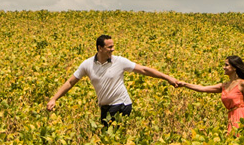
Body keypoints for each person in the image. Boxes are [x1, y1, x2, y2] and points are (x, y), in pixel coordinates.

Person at [47, 34, 179, 128]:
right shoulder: (87, 64)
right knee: (107, 137)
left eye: (113, 46)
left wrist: (167, 78)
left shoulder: (119, 61)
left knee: (112, 137)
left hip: (122, 104)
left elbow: (144, 70)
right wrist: (54, 99)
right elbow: (71, 82)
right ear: (100, 48)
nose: (113, 49)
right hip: (105, 106)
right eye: (109, 47)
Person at [176, 55, 244, 132]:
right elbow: (203, 88)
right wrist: (184, 84)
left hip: (242, 116)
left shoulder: (242, 83)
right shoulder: (223, 86)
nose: (224, 67)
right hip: (231, 116)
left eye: (226, 65)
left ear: (234, 67)